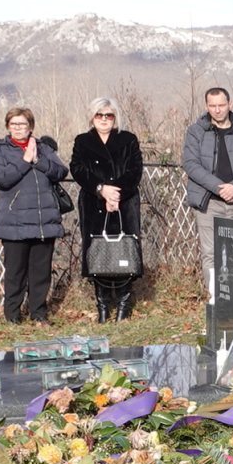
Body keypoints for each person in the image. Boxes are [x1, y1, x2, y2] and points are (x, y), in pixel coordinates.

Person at [0, 108, 68, 324]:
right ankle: (12, 315)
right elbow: (0, 177)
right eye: (14, 124)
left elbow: (61, 171)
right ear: (7, 126)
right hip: (14, 222)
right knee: (15, 272)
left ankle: (38, 313)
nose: (18, 128)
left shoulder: (44, 148)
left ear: (31, 126)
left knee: (41, 272)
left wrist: (38, 160)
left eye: (22, 124)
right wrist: (25, 160)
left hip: (43, 220)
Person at [71, 97, 144, 322]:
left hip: (124, 202)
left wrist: (115, 193)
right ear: (92, 117)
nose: (104, 119)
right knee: (97, 251)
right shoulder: (83, 141)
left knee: (124, 249)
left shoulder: (128, 139)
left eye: (109, 115)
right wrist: (101, 190)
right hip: (94, 203)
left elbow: (135, 170)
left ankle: (123, 304)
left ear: (115, 117)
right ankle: (102, 305)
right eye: (99, 115)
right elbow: (77, 169)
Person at [182, 87, 233, 294]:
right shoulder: (196, 131)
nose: (217, 110)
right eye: (212, 106)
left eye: (221, 105)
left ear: (230, 104)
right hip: (209, 202)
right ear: (206, 106)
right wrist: (219, 188)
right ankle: (217, 300)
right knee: (211, 254)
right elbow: (191, 164)